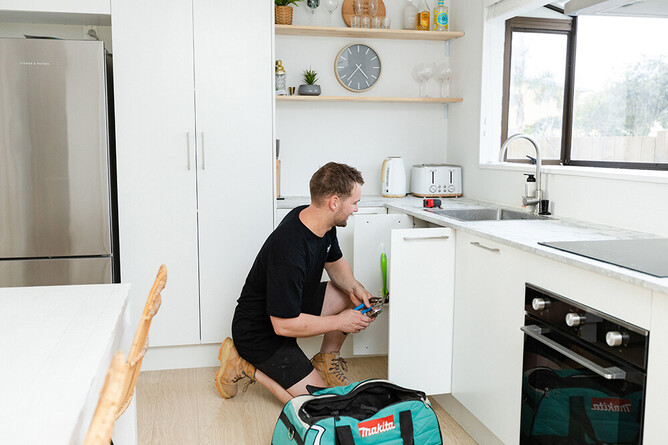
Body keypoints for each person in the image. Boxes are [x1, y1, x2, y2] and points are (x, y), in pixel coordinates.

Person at [214, 162, 375, 404]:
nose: (356, 209)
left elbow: (334, 264)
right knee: (318, 404)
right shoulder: (289, 249)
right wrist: (341, 321)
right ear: (334, 202)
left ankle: (326, 360)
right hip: (260, 333)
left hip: (292, 305)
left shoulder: (321, 221)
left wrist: (356, 288)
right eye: (354, 203)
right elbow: (283, 326)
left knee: (347, 296)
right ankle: (244, 365)